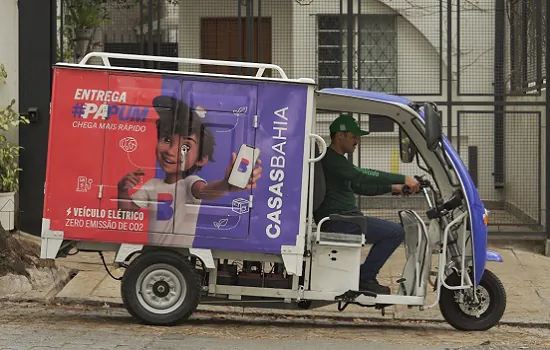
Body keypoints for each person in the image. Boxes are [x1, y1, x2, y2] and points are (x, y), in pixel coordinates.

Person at [117, 95, 262, 246]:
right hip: (152, 252)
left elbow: (204, 191)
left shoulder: (189, 183)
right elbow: (126, 212)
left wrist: (225, 185)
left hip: (180, 254)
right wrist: (122, 190)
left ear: (201, 159)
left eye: (185, 147)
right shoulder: (152, 185)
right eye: (166, 139)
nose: (171, 151)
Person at [313, 113, 420, 295]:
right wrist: (403, 177)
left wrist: (394, 188)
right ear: (340, 135)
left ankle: (364, 277)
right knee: (395, 232)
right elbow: (360, 175)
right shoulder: (331, 159)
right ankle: (365, 278)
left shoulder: (339, 161)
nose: (358, 141)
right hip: (340, 221)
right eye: (354, 136)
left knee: (392, 231)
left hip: (346, 219)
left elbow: (361, 186)